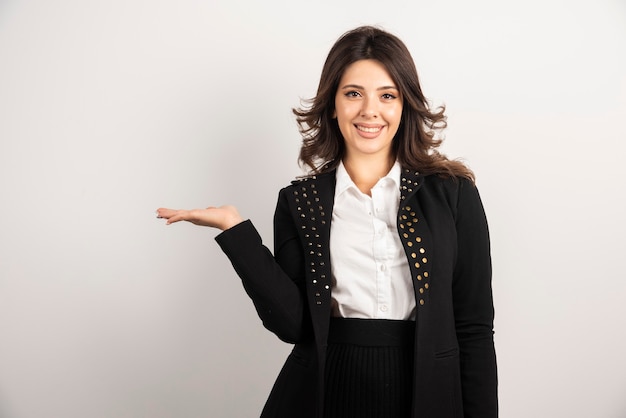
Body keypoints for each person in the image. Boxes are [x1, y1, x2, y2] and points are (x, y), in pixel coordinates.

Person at [157, 25, 497, 418]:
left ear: (404, 105)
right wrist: (236, 233)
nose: (370, 110)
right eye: (354, 94)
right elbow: (293, 325)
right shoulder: (298, 201)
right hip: (325, 393)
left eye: (387, 95)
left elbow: (473, 329)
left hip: (426, 395)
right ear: (333, 104)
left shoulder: (453, 196)